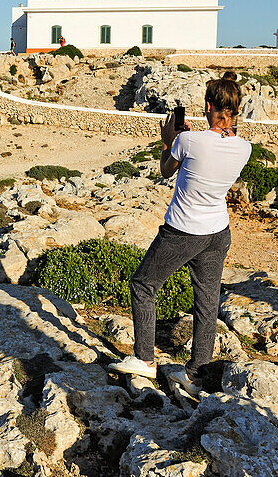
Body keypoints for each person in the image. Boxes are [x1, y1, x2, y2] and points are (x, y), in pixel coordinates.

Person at [108, 71, 251, 397]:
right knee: (207, 304)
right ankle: (195, 375)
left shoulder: (188, 141)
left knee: (143, 284)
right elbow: (222, 141)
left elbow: (165, 169)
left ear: (209, 105)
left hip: (183, 231)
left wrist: (168, 139)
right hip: (218, 232)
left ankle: (145, 359)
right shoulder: (245, 149)